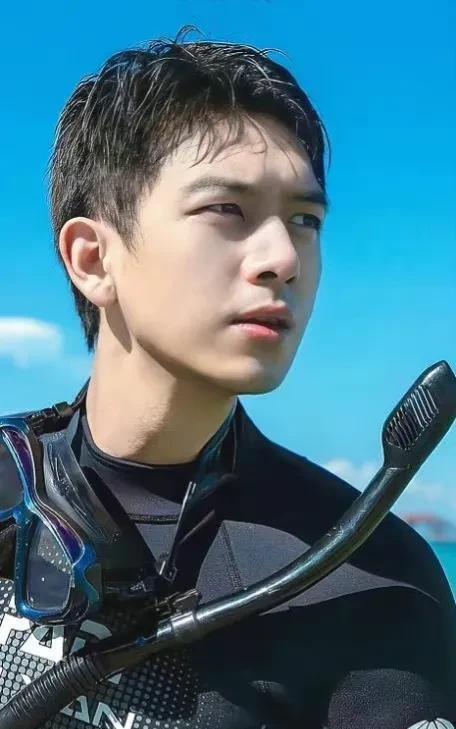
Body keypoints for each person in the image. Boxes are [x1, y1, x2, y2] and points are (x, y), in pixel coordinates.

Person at [0, 25, 454, 729]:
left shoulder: (376, 580)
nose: (284, 258)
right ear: (92, 259)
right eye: (226, 210)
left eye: (305, 220)